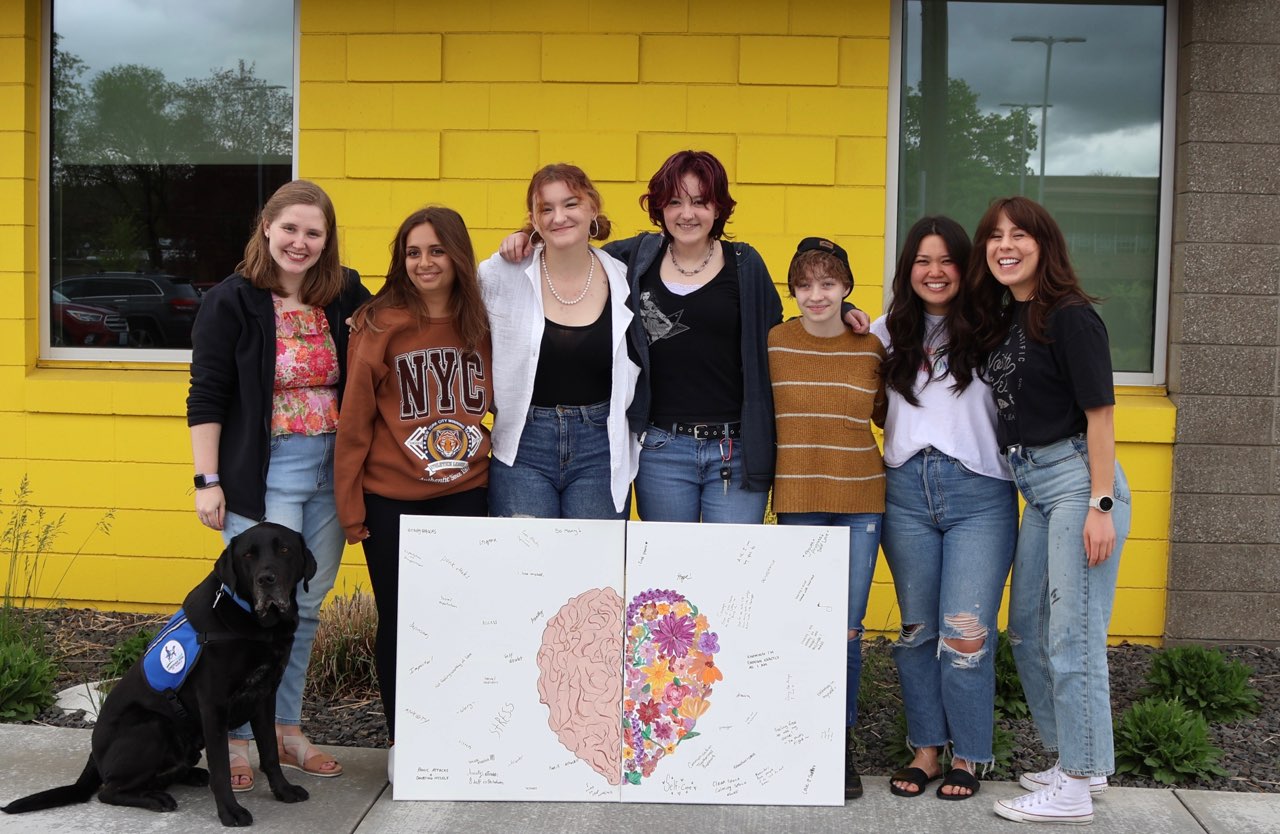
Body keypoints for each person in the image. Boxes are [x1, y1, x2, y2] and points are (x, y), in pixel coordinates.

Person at [187, 179, 370, 791]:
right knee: (245, 611)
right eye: (289, 228)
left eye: (313, 232)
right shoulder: (232, 300)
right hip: (265, 475)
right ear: (267, 227)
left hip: (333, 470)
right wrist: (207, 480)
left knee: (307, 606)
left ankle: (287, 729)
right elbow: (207, 395)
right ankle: (236, 738)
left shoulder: (343, 293)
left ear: (328, 239)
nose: (300, 241)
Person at [970, 197, 1131, 825]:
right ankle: (1076, 760)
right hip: (1034, 488)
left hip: (1077, 485)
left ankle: (1077, 782)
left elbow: (1101, 417)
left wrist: (1101, 505)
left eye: (1019, 236)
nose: (1004, 245)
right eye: (994, 237)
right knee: (1027, 631)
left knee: (1073, 636)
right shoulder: (1007, 316)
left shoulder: (1070, 318)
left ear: (1045, 244)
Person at [334, 206, 492, 758]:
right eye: (413, 252)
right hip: (391, 500)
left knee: (463, 619)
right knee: (401, 623)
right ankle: (406, 741)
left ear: (458, 255)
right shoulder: (379, 322)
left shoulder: (483, 319)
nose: (425, 262)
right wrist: (350, 507)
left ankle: (457, 733)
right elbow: (353, 422)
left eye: (436, 249)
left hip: (467, 494)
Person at [870, 217, 1018, 801]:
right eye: (922, 262)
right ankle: (927, 750)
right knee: (915, 632)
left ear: (966, 266)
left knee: (966, 632)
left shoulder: (996, 329)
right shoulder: (885, 332)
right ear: (909, 270)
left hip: (979, 493)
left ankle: (972, 754)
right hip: (905, 491)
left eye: (947, 261)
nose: (934, 273)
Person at [767, 237, 886, 800]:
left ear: (846, 288)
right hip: (796, 500)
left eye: (829, 283)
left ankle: (837, 746)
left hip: (862, 500)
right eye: (806, 284)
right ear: (793, 290)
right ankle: (796, 740)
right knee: (798, 626)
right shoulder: (774, 342)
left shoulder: (870, 347)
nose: (817, 295)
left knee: (846, 631)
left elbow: (893, 411)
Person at [479, 163, 640, 519]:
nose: (559, 217)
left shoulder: (625, 278)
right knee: (526, 568)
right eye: (546, 209)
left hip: (601, 446)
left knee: (594, 573)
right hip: (524, 444)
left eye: (571, 204)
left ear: (592, 208)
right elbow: (445, 302)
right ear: (534, 220)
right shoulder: (502, 273)